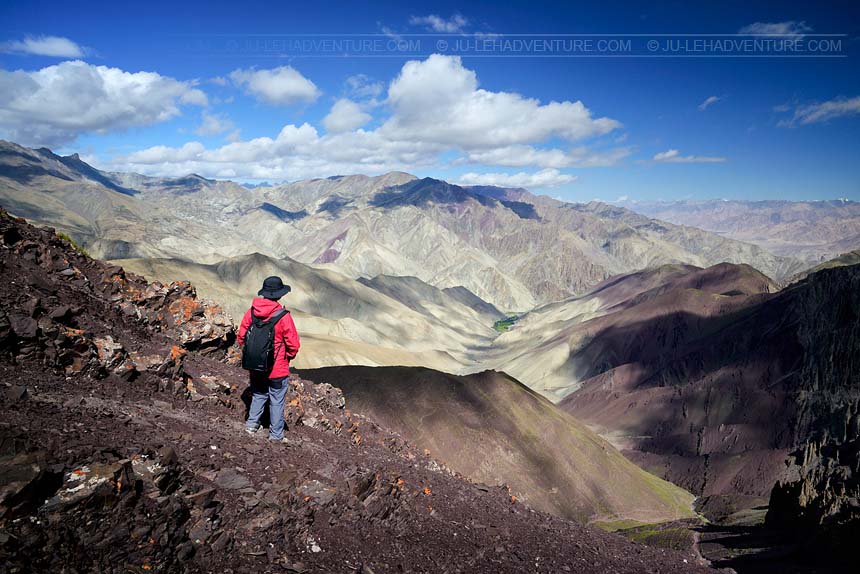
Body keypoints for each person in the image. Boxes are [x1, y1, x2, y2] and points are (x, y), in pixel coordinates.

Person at [237, 276, 300, 442]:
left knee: (258, 393)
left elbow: (241, 336)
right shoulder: (283, 316)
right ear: (279, 294)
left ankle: (251, 425)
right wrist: (288, 357)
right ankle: (276, 435)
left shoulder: (251, 312)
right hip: (277, 367)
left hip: (255, 365)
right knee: (277, 400)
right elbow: (293, 343)